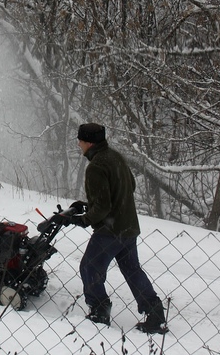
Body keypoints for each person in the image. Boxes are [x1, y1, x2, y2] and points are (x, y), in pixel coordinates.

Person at [53, 123, 168, 334]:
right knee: (132, 270)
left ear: (88, 142)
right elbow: (128, 186)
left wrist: (81, 220)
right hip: (128, 227)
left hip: (110, 231)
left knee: (89, 268)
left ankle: (99, 311)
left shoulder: (96, 166)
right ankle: (155, 313)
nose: (78, 144)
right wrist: (90, 205)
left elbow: (103, 206)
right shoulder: (115, 156)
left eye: (80, 140)